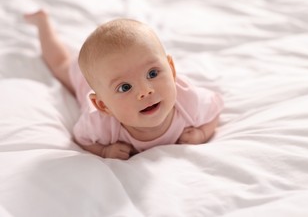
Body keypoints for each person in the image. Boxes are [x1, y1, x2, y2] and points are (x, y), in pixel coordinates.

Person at [24, 10, 223, 160]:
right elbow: (82, 139)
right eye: (125, 87)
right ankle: (43, 23)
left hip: (107, 73)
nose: (146, 91)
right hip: (87, 81)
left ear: (171, 69)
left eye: (153, 73)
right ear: (103, 106)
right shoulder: (99, 123)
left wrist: (202, 133)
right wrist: (104, 150)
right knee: (60, 64)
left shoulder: (187, 99)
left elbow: (214, 108)